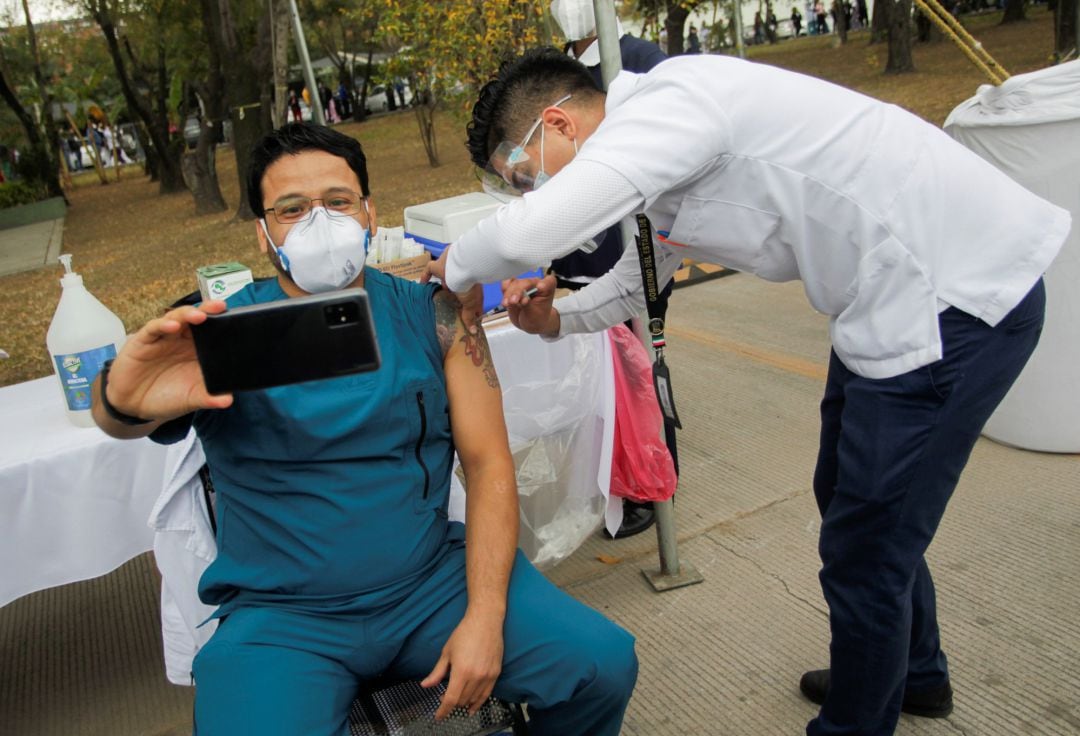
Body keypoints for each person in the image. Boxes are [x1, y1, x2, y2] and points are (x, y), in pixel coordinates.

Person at [428, 49, 1070, 735]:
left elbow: (534, 229)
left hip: (952, 300)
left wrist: (456, 268)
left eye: (525, 175)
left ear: (557, 123)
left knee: (868, 548)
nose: (533, 192)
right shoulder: (661, 163)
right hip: (887, 303)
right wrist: (553, 318)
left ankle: (858, 717)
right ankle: (910, 671)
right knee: (850, 504)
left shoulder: (673, 106)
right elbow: (636, 283)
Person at [92, 122, 637, 735]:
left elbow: (487, 465)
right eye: (292, 209)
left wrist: (485, 616)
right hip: (284, 620)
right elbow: (123, 414)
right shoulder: (225, 332)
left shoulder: (432, 314)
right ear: (264, 232)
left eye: (338, 201)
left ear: (369, 212)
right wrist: (122, 399)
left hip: (430, 585)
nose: (318, 221)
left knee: (602, 664)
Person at [548, 0, 671, 539]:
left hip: (627, 242)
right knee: (600, 375)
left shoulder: (638, 59)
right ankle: (614, 475)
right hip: (574, 242)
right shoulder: (557, 73)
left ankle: (649, 484)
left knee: (640, 370)